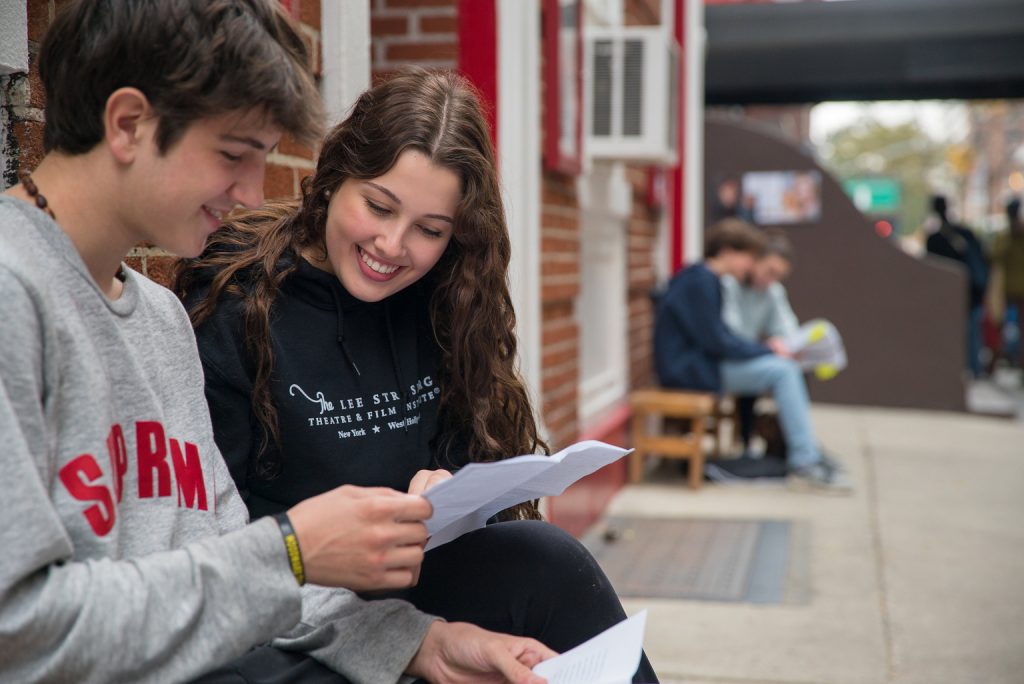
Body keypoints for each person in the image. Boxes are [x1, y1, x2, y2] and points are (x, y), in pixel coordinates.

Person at [0, 3, 565, 683]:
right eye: (234, 156)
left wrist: (424, 644)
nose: (246, 193)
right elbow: (18, 631)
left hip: (240, 654)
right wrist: (294, 550)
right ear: (127, 124)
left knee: (543, 571)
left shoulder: (157, 319)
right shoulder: (16, 294)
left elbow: (233, 564)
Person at [173, 69, 659, 684]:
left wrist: (451, 489)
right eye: (378, 206)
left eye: (429, 230)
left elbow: (468, 467)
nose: (392, 245)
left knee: (548, 560)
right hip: (290, 602)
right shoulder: (236, 301)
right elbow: (211, 521)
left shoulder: (442, 300)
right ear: (332, 178)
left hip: (409, 585)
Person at [654, 219, 849, 492]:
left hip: (703, 365)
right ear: (729, 251)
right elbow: (720, 342)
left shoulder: (704, 278)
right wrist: (767, 349)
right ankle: (805, 459)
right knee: (783, 371)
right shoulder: (704, 281)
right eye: (749, 257)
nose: (749, 264)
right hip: (693, 370)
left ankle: (806, 453)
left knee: (784, 368)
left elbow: (721, 340)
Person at [720, 230, 800, 457]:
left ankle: (782, 445)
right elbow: (731, 334)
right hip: (726, 359)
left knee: (793, 369)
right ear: (755, 261)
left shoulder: (772, 291)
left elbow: (786, 326)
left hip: (749, 354)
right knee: (775, 371)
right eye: (769, 271)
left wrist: (785, 343)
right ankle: (751, 442)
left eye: (778, 276)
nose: (771, 280)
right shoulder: (730, 284)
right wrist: (767, 347)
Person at [925, 195, 989, 378]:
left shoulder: (935, 239)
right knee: (972, 333)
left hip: (952, 296)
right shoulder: (965, 233)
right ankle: (975, 371)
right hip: (972, 292)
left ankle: (967, 370)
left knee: (957, 333)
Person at [993, 198, 1024, 370]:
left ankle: (1019, 361)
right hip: (1006, 289)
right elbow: (995, 256)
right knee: (999, 325)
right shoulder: (1005, 236)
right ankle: (998, 360)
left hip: (1018, 288)